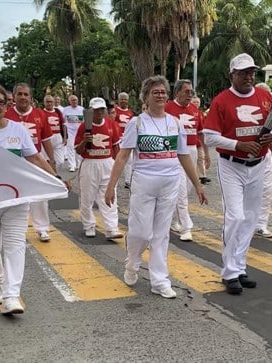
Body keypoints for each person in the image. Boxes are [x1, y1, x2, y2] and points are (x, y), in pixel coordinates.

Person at [104, 76, 207, 299]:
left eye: (162, 91)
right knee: (141, 231)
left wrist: (197, 184)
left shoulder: (175, 123)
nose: (160, 95)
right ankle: (132, 263)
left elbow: (183, 156)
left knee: (161, 234)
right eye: (155, 92)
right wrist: (111, 186)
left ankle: (160, 280)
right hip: (144, 182)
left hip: (170, 182)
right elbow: (122, 156)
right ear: (146, 97)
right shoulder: (137, 123)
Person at [0, 81, 59, 315]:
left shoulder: (18, 130)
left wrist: (55, 178)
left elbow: (35, 158)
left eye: (0, 101)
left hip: (16, 198)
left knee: (15, 245)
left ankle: (12, 295)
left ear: (7, 104)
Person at [203, 53, 272, 295]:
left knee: (250, 219)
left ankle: (239, 267)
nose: (249, 77)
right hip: (231, 164)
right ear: (231, 75)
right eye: (243, 73)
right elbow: (209, 136)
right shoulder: (221, 101)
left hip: (258, 163)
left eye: (252, 72)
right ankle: (229, 271)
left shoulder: (264, 95)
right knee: (234, 216)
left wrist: (271, 135)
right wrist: (237, 144)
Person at [5, 83, 55, 242]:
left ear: (30, 97)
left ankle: (42, 228)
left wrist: (52, 161)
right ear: (14, 97)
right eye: (19, 94)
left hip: (35, 159)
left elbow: (46, 140)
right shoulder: (6, 115)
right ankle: (12, 229)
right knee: (12, 194)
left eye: (26, 94)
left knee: (40, 195)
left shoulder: (41, 115)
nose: (23, 97)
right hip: (12, 161)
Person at [75, 97, 123, 240]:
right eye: (96, 110)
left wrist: (116, 165)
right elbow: (78, 150)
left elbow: (116, 147)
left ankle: (111, 228)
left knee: (109, 194)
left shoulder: (112, 124)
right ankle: (89, 225)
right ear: (90, 111)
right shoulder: (84, 126)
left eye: (102, 109)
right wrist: (85, 141)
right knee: (87, 196)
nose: (100, 113)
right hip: (89, 163)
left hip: (107, 162)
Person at [165, 79, 205, 242]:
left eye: (191, 92)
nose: (190, 95)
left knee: (186, 189)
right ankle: (186, 227)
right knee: (181, 190)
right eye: (186, 91)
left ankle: (175, 220)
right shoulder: (167, 108)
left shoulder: (195, 110)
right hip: (175, 152)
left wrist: (206, 155)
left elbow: (201, 133)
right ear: (177, 92)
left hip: (192, 150)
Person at [253, 82, 272, 238]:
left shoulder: (270, 111)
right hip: (245, 158)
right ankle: (246, 223)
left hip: (265, 155)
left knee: (266, 190)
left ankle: (261, 224)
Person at [114, 92, 135, 188]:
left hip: (127, 139)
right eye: (122, 99)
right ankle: (113, 180)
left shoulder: (130, 113)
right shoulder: (115, 111)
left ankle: (128, 181)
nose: (123, 101)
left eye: (125, 99)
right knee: (116, 160)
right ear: (118, 100)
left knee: (129, 161)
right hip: (117, 140)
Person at [42, 95, 67, 174]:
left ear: (53, 102)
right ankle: (50, 176)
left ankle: (55, 173)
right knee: (46, 160)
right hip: (46, 139)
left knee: (60, 161)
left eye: (51, 102)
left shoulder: (58, 112)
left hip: (57, 137)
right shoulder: (41, 112)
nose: (49, 103)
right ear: (44, 103)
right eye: (47, 102)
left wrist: (65, 137)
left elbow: (63, 125)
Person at [191, 96, 211, 185]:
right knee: (192, 160)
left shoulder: (200, 114)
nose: (196, 104)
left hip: (199, 141)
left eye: (197, 102)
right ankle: (194, 176)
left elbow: (202, 128)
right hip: (190, 142)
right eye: (194, 102)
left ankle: (203, 176)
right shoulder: (189, 112)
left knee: (201, 158)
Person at [62, 95, 84, 172]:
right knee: (70, 148)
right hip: (70, 132)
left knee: (78, 147)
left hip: (79, 132)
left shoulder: (81, 109)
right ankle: (72, 165)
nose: (74, 101)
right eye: (72, 100)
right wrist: (64, 136)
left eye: (75, 100)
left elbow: (84, 122)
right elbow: (64, 123)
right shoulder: (66, 110)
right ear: (69, 101)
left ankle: (79, 164)